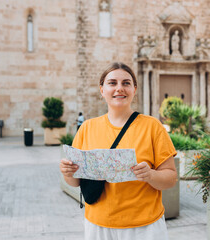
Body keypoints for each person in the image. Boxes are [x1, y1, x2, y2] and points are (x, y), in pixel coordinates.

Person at [60, 62, 177, 240]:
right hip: (98, 225)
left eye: (126, 83)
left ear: (134, 89)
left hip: (144, 226)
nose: (119, 88)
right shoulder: (87, 128)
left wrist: (150, 175)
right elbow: (75, 182)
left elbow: (170, 178)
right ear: (102, 90)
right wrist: (68, 172)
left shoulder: (152, 126)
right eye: (112, 83)